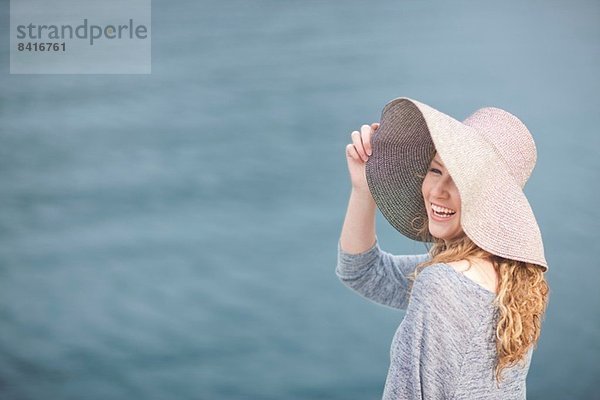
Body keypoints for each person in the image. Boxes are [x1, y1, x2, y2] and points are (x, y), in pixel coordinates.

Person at [336, 97, 550, 399]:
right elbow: (363, 272)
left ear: (489, 199)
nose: (438, 191)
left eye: (460, 182)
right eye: (436, 170)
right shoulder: (515, 281)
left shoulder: (443, 285)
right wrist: (364, 188)